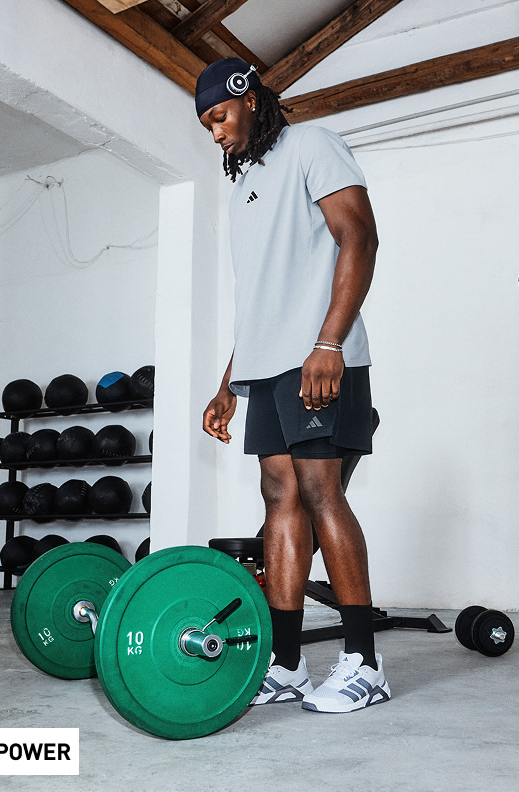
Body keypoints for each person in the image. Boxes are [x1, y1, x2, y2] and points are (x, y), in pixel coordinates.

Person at [196, 58, 390, 714]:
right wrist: (228, 383)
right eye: (206, 125)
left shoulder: (312, 145)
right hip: (266, 366)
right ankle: (286, 666)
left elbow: (358, 237)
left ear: (248, 99)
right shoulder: (244, 183)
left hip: (319, 357)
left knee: (319, 492)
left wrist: (329, 342)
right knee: (278, 497)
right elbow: (260, 300)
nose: (215, 132)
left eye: (219, 116)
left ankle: (365, 662)